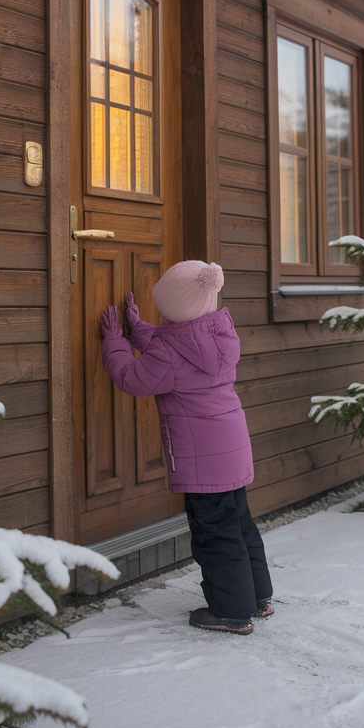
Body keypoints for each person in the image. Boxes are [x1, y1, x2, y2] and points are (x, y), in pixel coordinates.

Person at [99, 260, 273, 635]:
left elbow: (133, 376)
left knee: (215, 533)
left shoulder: (171, 355)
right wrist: (138, 329)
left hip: (203, 460)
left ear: (175, 308)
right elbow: (172, 347)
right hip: (231, 449)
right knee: (239, 523)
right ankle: (257, 598)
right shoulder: (217, 332)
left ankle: (231, 611)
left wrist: (115, 342)